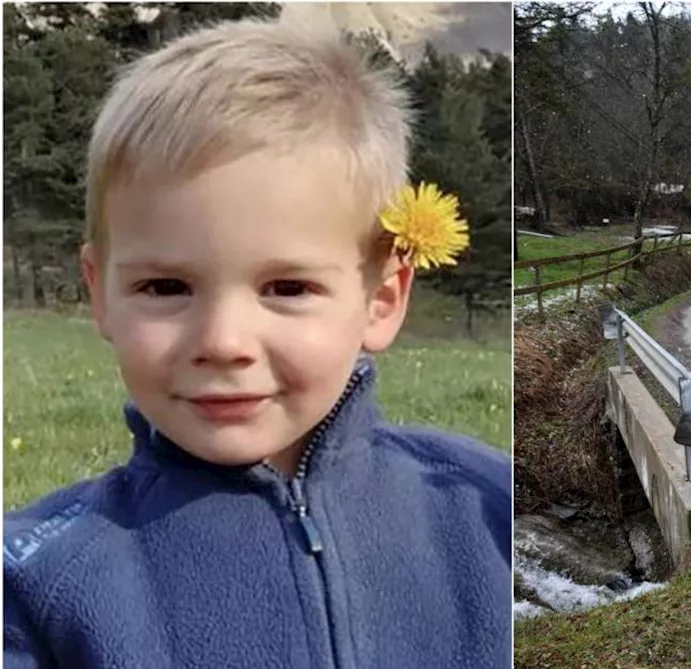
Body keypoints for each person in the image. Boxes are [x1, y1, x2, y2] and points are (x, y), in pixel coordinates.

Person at [3, 18, 512, 669]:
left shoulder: (486, 504)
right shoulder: (35, 578)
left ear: (382, 298)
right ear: (101, 293)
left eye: (287, 287)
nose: (223, 341)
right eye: (165, 287)